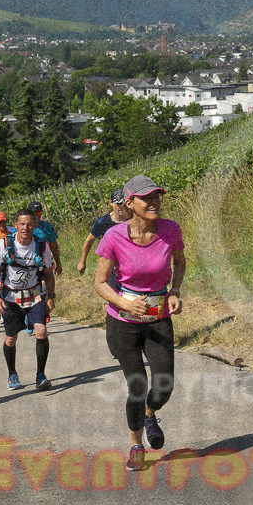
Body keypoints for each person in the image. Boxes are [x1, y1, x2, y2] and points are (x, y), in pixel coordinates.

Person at [93, 175, 185, 472]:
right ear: (130, 203)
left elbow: (180, 262)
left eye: (157, 196)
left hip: (158, 317)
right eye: (147, 198)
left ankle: (150, 412)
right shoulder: (114, 236)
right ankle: (136, 444)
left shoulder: (170, 230)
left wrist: (175, 292)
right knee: (137, 384)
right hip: (123, 321)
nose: (155, 202)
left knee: (163, 386)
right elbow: (99, 283)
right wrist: (126, 303)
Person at [0, 208, 56, 391]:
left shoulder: (41, 245)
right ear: (15, 225)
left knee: (41, 331)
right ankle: (12, 374)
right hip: (10, 297)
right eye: (22, 224)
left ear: (34, 225)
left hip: (34, 295)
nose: (26, 228)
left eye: (29, 224)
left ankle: (40, 375)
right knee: (11, 338)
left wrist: (51, 296)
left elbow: (48, 274)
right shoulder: (4, 244)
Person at [77, 188, 130, 275]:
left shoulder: (132, 219)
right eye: (118, 203)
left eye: (123, 203)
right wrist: (82, 262)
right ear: (111, 202)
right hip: (110, 264)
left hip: (129, 261)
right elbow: (89, 241)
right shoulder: (102, 222)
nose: (121, 206)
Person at [28, 201, 62, 276]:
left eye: (39, 213)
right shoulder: (24, 227)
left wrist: (58, 264)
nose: (36, 215)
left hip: (46, 261)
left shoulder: (47, 227)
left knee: (48, 285)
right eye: (34, 213)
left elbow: (54, 247)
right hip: (28, 262)